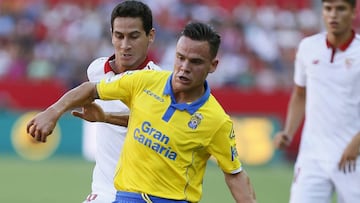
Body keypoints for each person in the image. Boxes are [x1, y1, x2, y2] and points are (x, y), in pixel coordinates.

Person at [26, 21, 256, 203]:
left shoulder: (216, 121)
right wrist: (53, 112)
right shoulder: (145, 81)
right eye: (180, 58)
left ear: (212, 66)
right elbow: (92, 89)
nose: (184, 68)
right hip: (125, 197)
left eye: (195, 62)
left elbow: (234, 173)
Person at [73, 1, 161, 202]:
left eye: (134, 36)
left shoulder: (159, 82)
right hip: (102, 192)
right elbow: (83, 93)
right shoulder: (96, 70)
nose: (125, 45)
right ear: (111, 34)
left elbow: (146, 122)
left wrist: (106, 117)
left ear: (151, 36)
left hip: (140, 194)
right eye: (119, 36)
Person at [273, 0, 360, 202]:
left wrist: (357, 142)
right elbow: (300, 94)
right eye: (328, 8)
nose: (333, 15)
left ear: (353, 12)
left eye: (340, 9)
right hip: (312, 156)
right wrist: (288, 132)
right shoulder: (308, 47)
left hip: (353, 156)